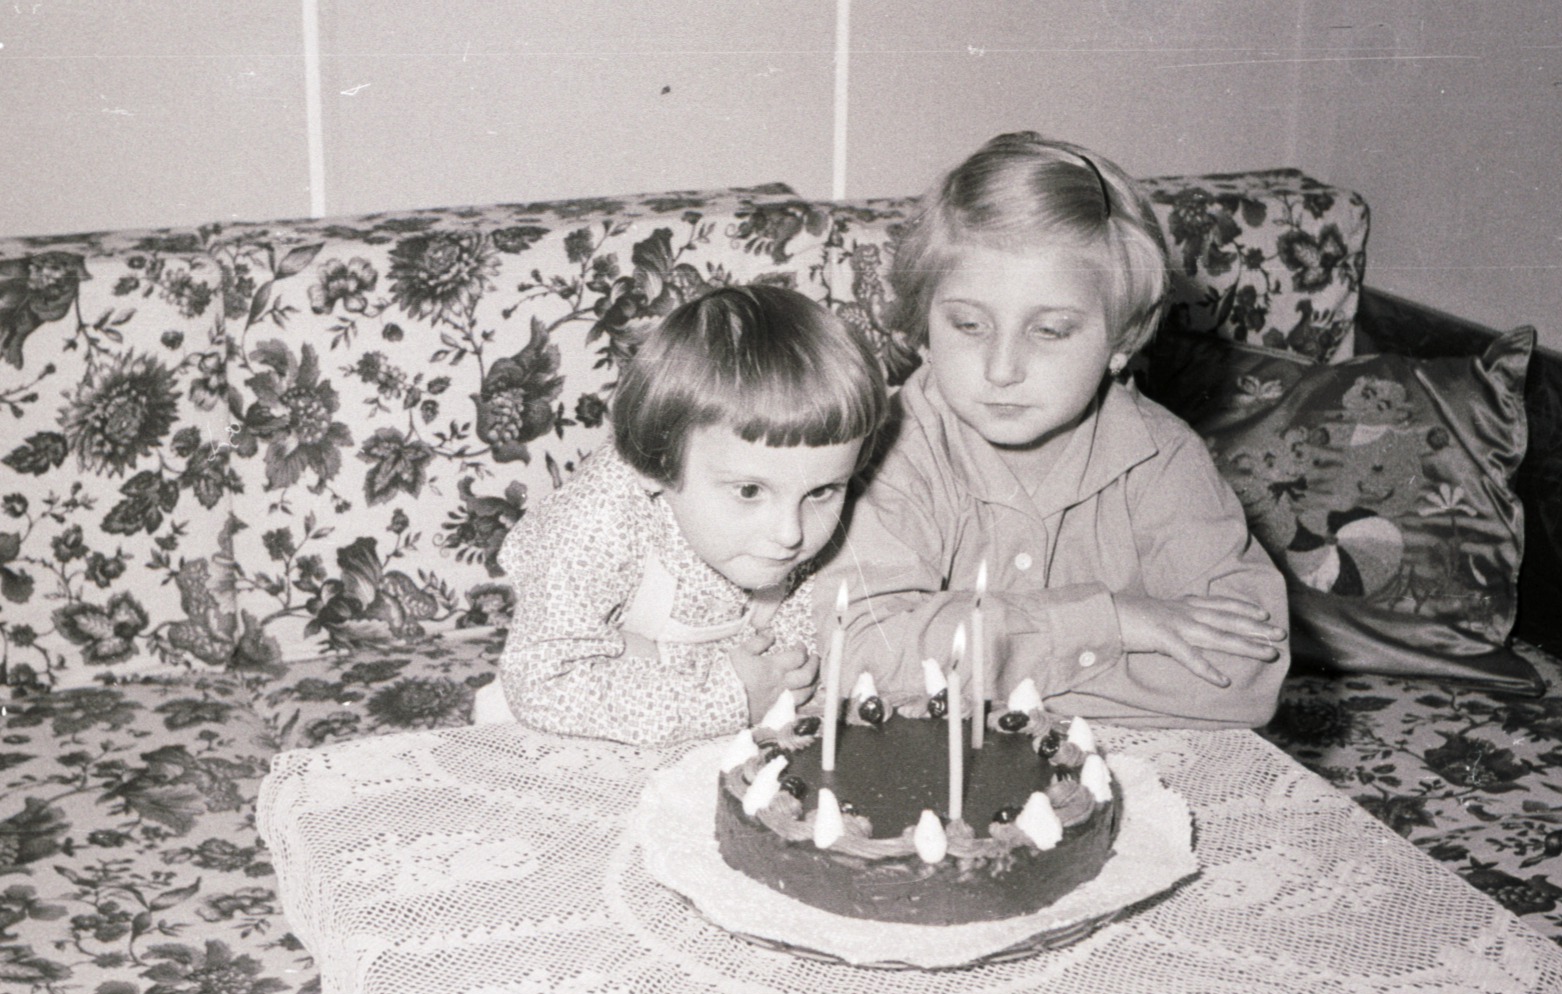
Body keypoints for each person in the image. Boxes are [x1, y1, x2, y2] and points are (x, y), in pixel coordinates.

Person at [819, 132, 1289, 728]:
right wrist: (1114, 623)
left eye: (1049, 331)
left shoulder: (1162, 457)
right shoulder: (883, 449)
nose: (1001, 369)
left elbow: (1244, 674)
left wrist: (967, 673)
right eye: (968, 324)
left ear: (1121, 339)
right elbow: (860, 655)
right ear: (921, 329)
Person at [491, 284, 890, 744]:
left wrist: (795, 677)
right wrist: (729, 697)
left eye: (822, 491)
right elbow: (543, 683)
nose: (791, 533)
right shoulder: (593, 523)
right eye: (748, 491)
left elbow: (799, 646)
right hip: (563, 736)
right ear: (655, 464)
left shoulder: (794, 521)